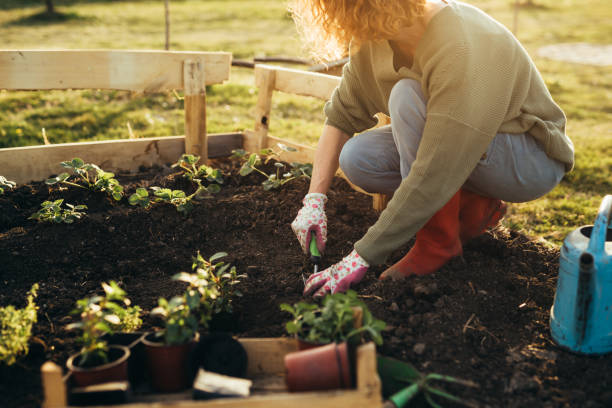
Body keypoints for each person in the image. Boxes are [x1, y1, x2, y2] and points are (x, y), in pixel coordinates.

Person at [289, 0, 574, 297]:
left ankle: (438, 243)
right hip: (466, 147)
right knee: (359, 158)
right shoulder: (375, 39)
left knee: (405, 96)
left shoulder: (459, 43)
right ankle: (473, 205)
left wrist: (359, 258)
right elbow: (341, 116)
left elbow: (435, 168)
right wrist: (314, 200)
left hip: (528, 158)